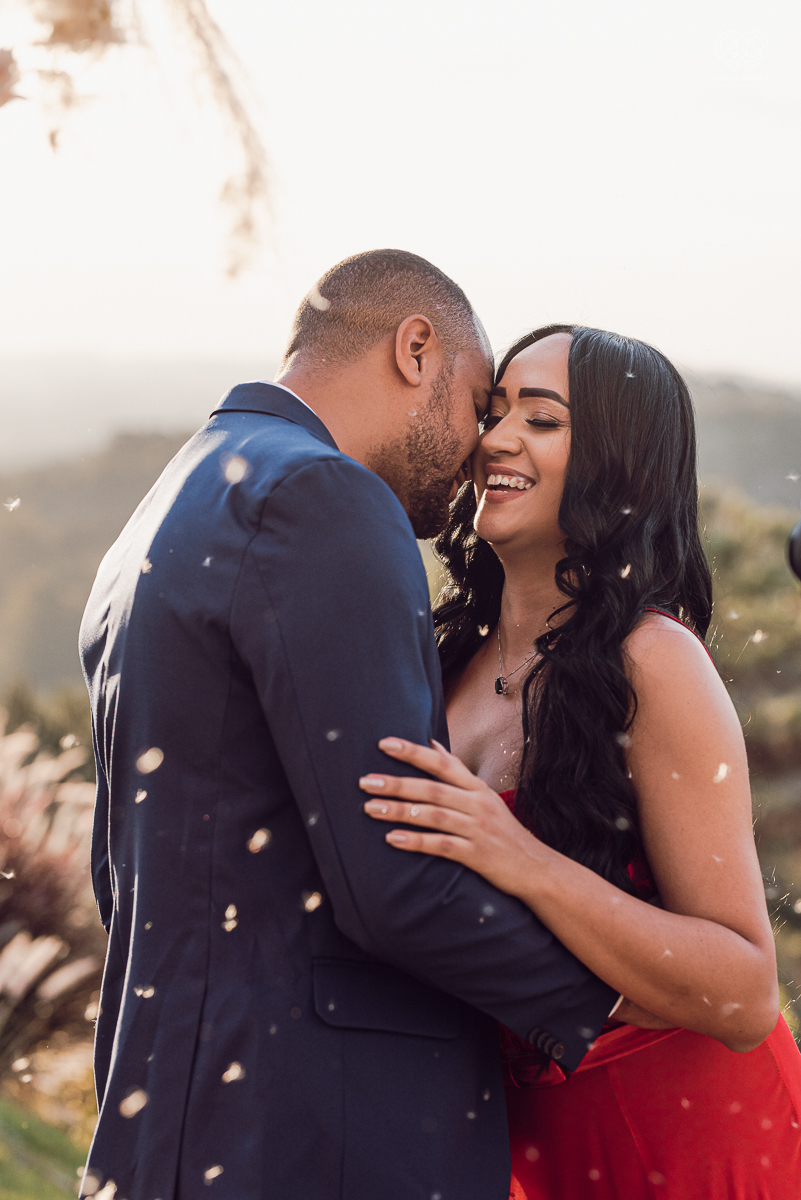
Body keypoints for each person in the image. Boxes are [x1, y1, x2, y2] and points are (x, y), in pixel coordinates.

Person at [78, 259, 619, 1200]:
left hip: (175, 1109)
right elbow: (395, 877)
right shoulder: (325, 498)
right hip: (319, 1133)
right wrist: (607, 998)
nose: (477, 451)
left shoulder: (163, 509)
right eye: (477, 403)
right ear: (415, 350)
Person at [362, 324, 801, 1199]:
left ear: (618, 465)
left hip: (685, 1135)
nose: (496, 439)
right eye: (493, 413)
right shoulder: (442, 663)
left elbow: (745, 992)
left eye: (543, 419)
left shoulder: (653, 663)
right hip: (528, 1143)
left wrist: (521, 860)